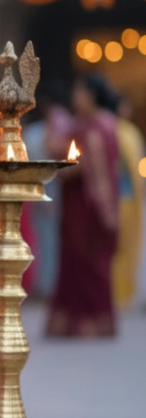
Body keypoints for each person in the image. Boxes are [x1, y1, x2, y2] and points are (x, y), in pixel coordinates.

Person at [47, 75, 120, 337]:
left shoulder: (90, 127)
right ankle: (95, 321)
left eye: (79, 92)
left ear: (90, 95)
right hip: (101, 205)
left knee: (84, 262)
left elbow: (82, 165)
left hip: (86, 206)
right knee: (88, 264)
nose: (75, 97)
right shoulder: (109, 124)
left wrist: (60, 168)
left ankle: (83, 322)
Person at [23, 82, 72, 300]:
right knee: (45, 237)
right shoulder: (53, 125)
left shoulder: (56, 123)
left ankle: (49, 285)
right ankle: (46, 284)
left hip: (53, 185)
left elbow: (55, 150)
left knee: (49, 238)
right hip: (47, 186)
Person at [112, 94, 145, 310]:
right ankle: (116, 293)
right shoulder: (114, 131)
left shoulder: (129, 132)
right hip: (119, 198)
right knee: (117, 248)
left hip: (130, 198)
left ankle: (125, 292)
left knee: (129, 247)